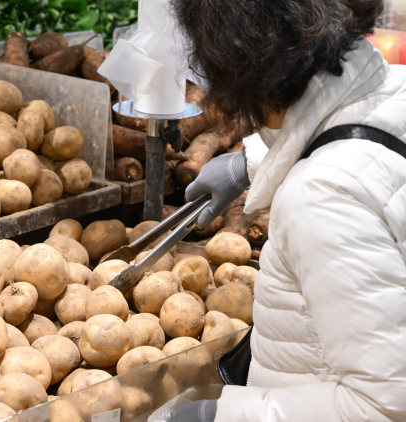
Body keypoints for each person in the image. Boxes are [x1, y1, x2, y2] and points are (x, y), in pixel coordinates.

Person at [165, 0, 406, 421]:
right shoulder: (392, 85)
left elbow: (382, 408)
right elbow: (355, 124)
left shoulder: (321, 198)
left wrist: (226, 416)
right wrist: (252, 163)